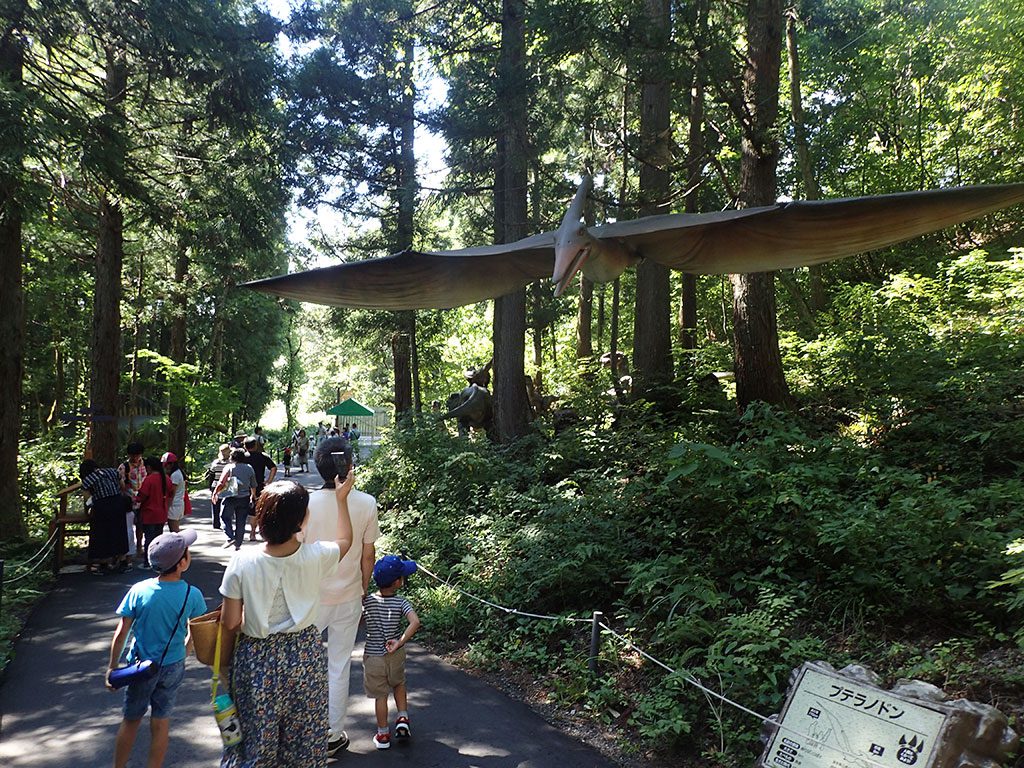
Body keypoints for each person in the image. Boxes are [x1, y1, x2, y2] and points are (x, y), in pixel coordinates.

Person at [218, 475, 355, 767]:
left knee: (257, 741)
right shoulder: (315, 556)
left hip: (256, 656)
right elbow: (346, 541)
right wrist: (341, 501)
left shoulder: (241, 561)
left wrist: (224, 666)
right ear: (300, 520)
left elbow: (230, 622)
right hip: (305, 654)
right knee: (304, 745)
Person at [302, 437, 381, 756]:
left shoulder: (304, 502)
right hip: (348, 595)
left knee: (304, 664)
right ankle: (333, 733)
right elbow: (368, 554)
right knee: (338, 664)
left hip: (308, 597)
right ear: (349, 466)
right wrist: (363, 589)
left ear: (316, 464)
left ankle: (301, 728)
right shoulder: (366, 502)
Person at [106, 530, 208, 768]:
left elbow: (122, 632)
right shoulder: (192, 594)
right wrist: (186, 648)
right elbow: (196, 628)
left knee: (131, 719)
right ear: (182, 563)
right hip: (173, 664)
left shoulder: (139, 591)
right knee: (161, 721)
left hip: (140, 666)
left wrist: (112, 667)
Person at [362, 555, 421, 750]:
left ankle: (383, 734)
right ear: (398, 582)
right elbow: (415, 622)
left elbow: (359, 620)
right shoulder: (401, 602)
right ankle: (402, 717)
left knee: (380, 696)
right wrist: (400, 641)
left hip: (373, 657)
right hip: (395, 654)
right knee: (399, 683)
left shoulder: (368, 601)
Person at [80, 459, 131, 575]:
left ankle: (103, 564)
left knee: (102, 534)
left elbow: (88, 498)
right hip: (118, 503)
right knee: (119, 532)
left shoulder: (88, 479)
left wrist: (90, 507)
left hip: (102, 506)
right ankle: (123, 562)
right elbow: (122, 485)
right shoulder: (112, 471)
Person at [212, 449, 258, 551]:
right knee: (241, 521)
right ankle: (238, 544)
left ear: (232, 457)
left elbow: (221, 482)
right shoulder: (249, 468)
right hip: (244, 498)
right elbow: (253, 484)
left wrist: (215, 492)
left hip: (231, 497)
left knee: (224, 517)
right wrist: (253, 495)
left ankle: (230, 537)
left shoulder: (229, 467)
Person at [135, 457, 172, 565]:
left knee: (149, 539)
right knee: (158, 538)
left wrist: (136, 499)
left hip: (149, 514)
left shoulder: (149, 479)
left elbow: (142, 495)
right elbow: (170, 491)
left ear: (149, 467)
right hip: (161, 513)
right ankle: (158, 560)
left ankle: (148, 561)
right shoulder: (165, 478)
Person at [243, 437, 277, 542]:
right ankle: (253, 533)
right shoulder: (262, 456)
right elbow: (273, 467)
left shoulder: (242, 457)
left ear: (245, 446)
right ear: (256, 445)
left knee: (241, 509)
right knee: (254, 511)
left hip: (242, 486)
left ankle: (237, 533)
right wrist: (268, 481)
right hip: (258, 485)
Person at [119, 442, 147, 559]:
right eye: (132, 455)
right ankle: (128, 551)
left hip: (144, 500)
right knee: (128, 527)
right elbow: (120, 484)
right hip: (129, 501)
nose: (135, 458)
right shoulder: (123, 467)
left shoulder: (146, 465)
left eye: (137, 455)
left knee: (141, 526)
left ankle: (140, 548)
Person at [205, 444, 232, 530]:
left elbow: (211, 476)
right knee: (227, 505)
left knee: (215, 505)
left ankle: (216, 524)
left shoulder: (215, 462)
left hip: (216, 485)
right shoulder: (231, 463)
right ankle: (227, 523)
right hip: (227, 486)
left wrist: (210, 487)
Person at [161, 452, 186, 534]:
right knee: (175, 530)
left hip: (174, 506)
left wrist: (167, 508)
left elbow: (172, 493)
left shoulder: (175, 475)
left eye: (166, 464)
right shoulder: (178, 473)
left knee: (174, 531)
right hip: (178, 504)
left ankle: (183, 546)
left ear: (171, 464)